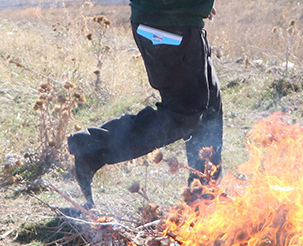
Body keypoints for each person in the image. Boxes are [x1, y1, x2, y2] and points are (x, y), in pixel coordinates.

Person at [67, 0, 222, 208]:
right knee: (184, 115)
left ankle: (204, 194)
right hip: (167, 25)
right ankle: (92, 149)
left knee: (209, 106)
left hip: (177, 19)